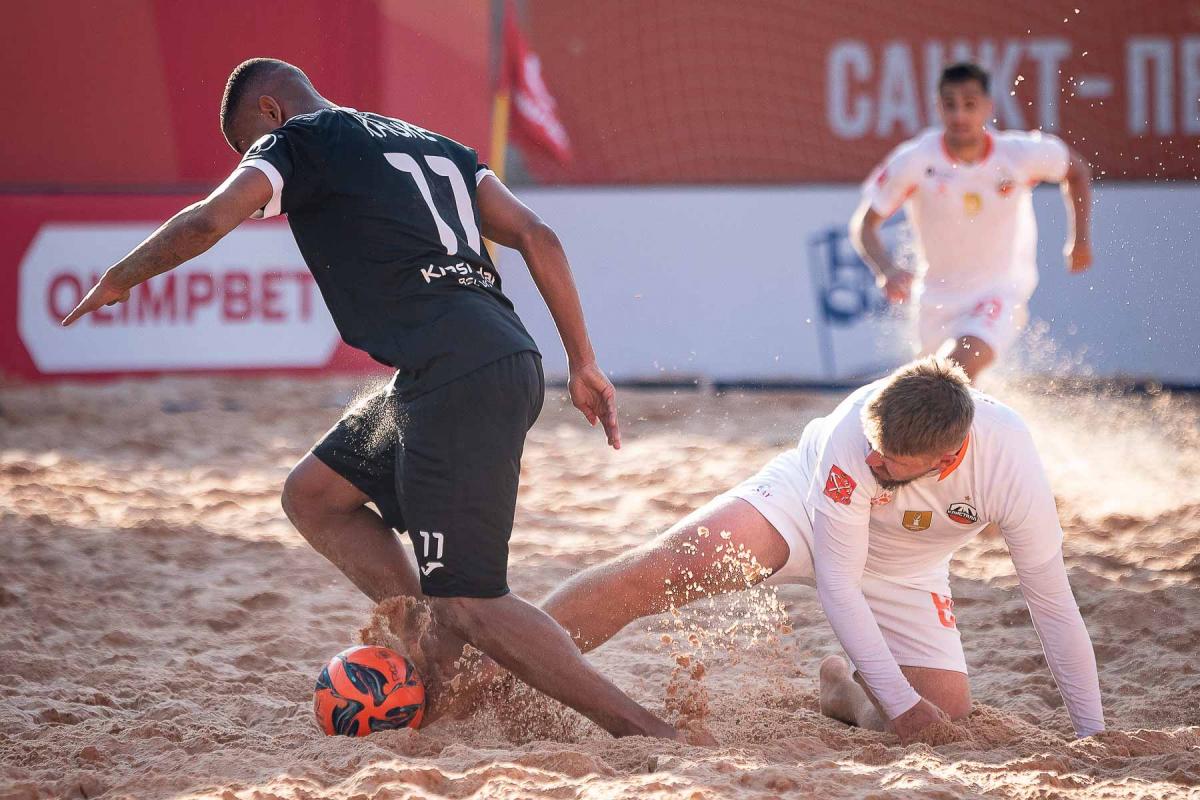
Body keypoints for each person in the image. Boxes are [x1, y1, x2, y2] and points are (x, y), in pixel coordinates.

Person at [62, 58, 680, 740]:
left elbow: (208, 221)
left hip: (458, 374)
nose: (253, 165)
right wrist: (583, 362)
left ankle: (645, 731)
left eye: (246, 148)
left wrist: (120, 277)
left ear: (269, 112)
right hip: (481, 359)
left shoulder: (297, 139)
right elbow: (539, 234)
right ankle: (435, 649)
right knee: (314, 495)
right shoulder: (433, 144)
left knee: (473, 601)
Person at [542, 357, 1105, 743]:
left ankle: (844, 692)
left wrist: (1092, 733)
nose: (873, 461)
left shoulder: (1010, 467)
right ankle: (505, 654)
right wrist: (901, 704)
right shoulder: (854, 437)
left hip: (906, 567)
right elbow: (838, 584)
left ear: (946, 459)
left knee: (944, 715)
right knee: (664, 568)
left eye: (889, 464)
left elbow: (1052, 604)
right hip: (801, 507)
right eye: (873, 448)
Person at [849, 62, 1094, 381]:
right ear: (938, 107)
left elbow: (1077, 171)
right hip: (935, 300)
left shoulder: (1018, 153)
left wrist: (1080, 238)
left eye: (969, 105)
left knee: (953, 370)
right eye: (950, 105)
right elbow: (864, 225)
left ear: (988, 107)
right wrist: (887, 269)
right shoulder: (916, 159)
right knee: (938, 387)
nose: (960, 115)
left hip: (1000, 291)